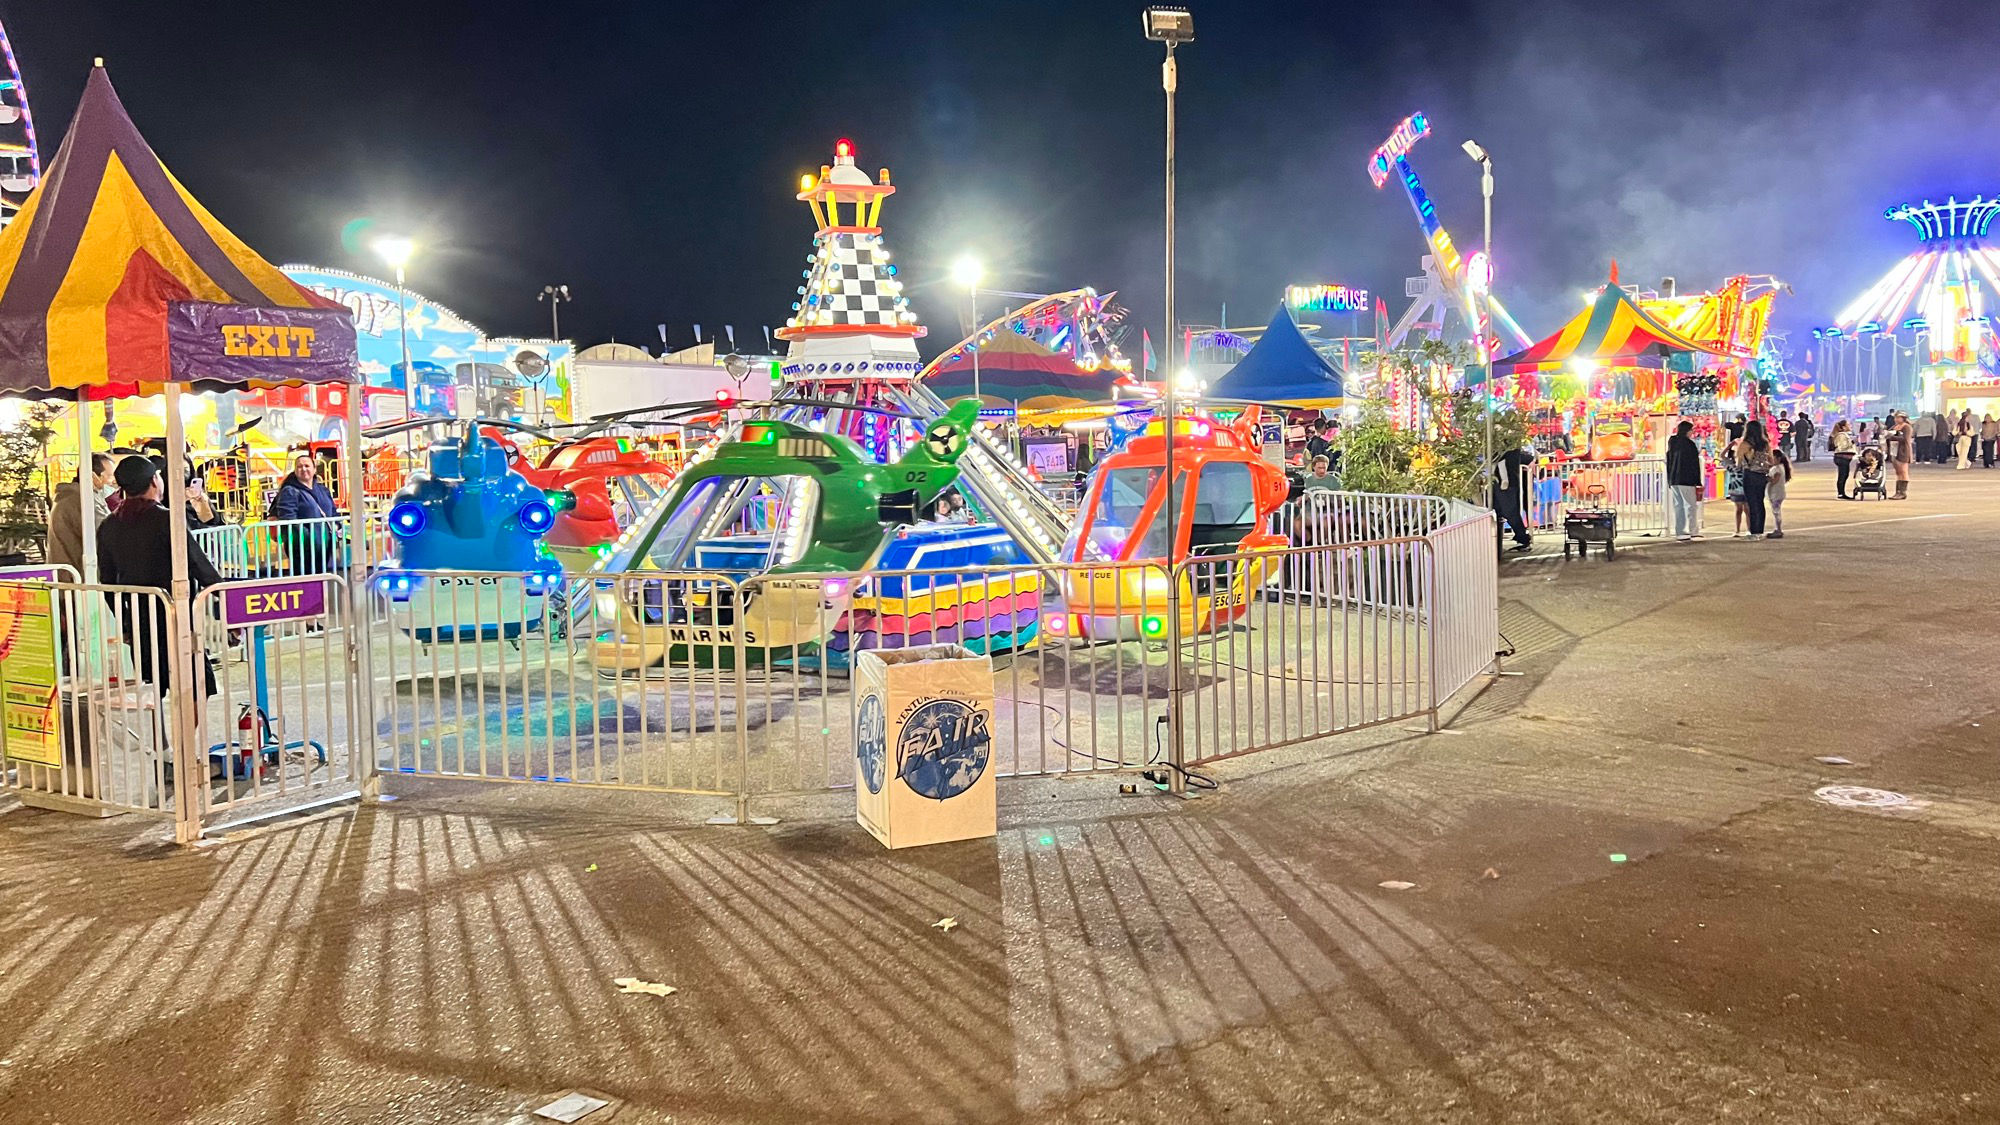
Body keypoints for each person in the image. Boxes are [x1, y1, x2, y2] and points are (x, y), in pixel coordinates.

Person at [96, 456, 223, 696]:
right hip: (176, 614)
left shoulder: (109, 525)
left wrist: (125, 622)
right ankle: (185, 735)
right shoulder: (166, 519)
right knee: (197, 686)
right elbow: (197, 563)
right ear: (155, 481)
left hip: (139, 617)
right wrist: (224, 596)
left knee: (153, 688)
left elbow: (108, 581)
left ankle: (161, 735)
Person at [269, 452, 340, 575]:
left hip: (325, 546)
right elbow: (288, 518)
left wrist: (337, 526)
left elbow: (333, 512)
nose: (304, 469)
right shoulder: (289, 491)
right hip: (302, 548)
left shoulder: (323, 490)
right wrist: (310, 537)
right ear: (295, 470)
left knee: (321, 578)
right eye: (299, 467)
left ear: (314, 469)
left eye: (307, 466)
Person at [44, 453, 114, 575]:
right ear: (93, 476)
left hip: (68, 577)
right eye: (109, 475)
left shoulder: (70, 496)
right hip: (77, 579)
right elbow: (107, 534)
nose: (113, 481)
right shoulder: (82, 500)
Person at [1726, 420, 1777, 539]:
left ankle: (1754, 532)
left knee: (1752, 503)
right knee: (1760, 502)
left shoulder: (1745, 444)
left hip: (1749, 474)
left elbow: (1738, 462)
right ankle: (1760, 530)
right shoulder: (1765, 444)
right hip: (1761, 476)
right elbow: (1771, 461)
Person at [1664, 420, 1704, 541]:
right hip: (1686, 479)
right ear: (1688, 431)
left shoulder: (1673, 442)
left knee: (1679, 505)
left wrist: (1669, 479)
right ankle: (1693, 530)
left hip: (1674, 478)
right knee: (1691, 505)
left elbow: (1669, 460)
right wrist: (1697, 481)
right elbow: (1694, 464)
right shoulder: (1689, 445)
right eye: (1692, 430)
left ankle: (1680, 530)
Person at [1491, 443, 1534, 552]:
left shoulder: (1503, 449)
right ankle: (1522, 538)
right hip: (1508, 482)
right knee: (1503, 510)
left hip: (1505, 483)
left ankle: (1523, 538)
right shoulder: (1512, 448)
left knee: (1509, 511)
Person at [1766, 445, 1792, 539]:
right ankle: (1777, 529)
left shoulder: (1778, 469)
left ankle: (1778, 529)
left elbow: (1774, 481)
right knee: (1776, 511)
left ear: (1778, 458)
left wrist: (1766, 478)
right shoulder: (1778, 467)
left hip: (1776, 494)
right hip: (1775, 493)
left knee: (1776, 512)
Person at [1829, 419, 1858, 499]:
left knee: (1844, 475)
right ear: (1844, 427)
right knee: (1842, 475)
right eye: (1848, 424)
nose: (1850, 426)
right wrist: (1852, 442)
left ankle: (1842, 492)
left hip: (1844, 458)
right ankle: (1841, 493)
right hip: (1842, 458)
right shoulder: (1841, 435)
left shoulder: (1844, 435)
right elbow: (1841, 447)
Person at [1887, 411, 1913, 499]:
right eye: (1895, 417)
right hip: (1894, 450)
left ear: (1903, 418)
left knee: (1903, 471)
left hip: (1903, 450)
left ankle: (1903, 492)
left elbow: (1905, 439)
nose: (1896, 419)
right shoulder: (1894, 427)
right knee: (1898, 472)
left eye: (1898, 417)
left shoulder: (1906, 427)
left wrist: (1892, 437)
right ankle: (1897, 491)